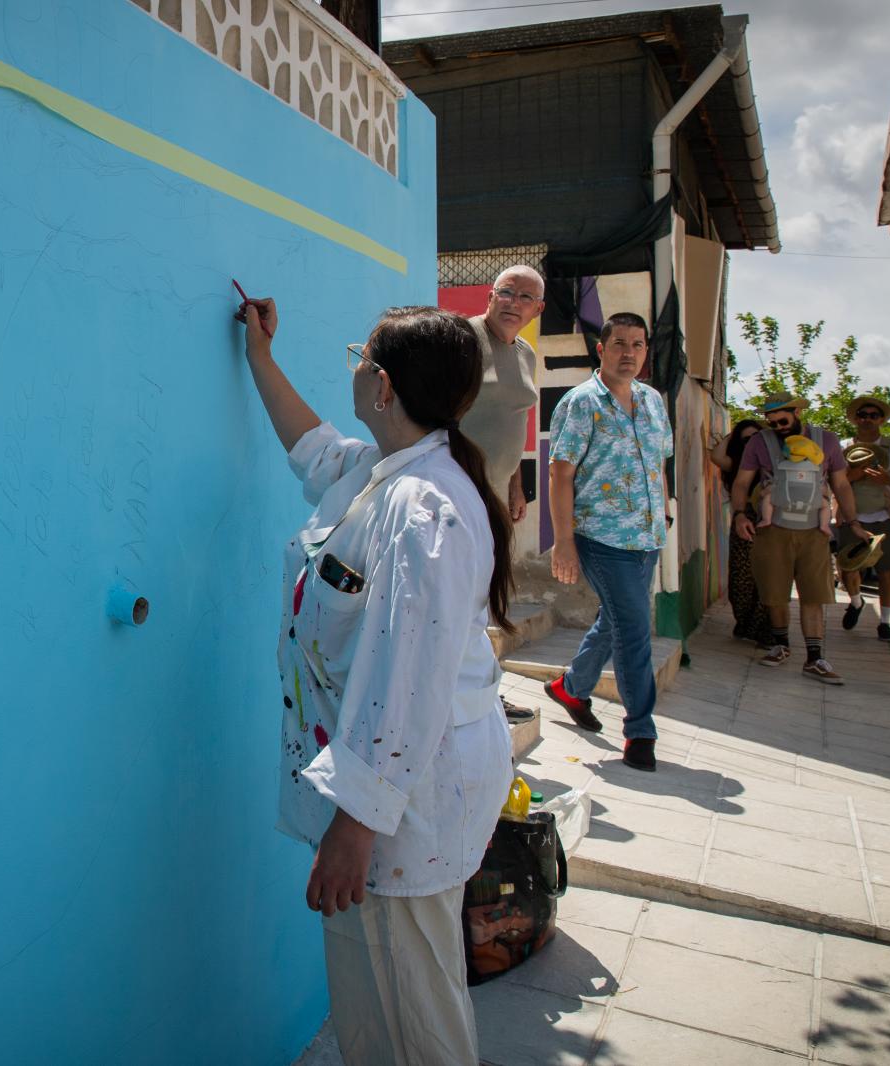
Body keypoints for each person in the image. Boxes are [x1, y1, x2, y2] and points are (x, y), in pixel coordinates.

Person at [235, 294, 513, 1065]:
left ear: (383, 386)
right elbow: (312, 445)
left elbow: (410, 675)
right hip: (390, 798)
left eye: (361, 357)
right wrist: (261, 357)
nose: (354, 367)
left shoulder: (424, 509)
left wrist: (356, 825)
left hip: (401, 810)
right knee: (377, 1004)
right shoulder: (381, 472)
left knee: (413, 1020)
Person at [540, 312, 673, 772]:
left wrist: (666, 509)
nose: (629, 353)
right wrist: (562, 542)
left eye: (638, 344)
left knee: (616, 619)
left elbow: (659, 462)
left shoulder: (654, 402)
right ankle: (640, 732)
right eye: (619, 343)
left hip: (648, 535)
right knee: (634, 630)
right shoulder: (582, 403)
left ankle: (570, 688)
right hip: (601, 537)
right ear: (602, 349)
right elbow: (560, 473)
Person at [730, 393, 869, 684]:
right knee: (775, 593)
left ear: (796, 412)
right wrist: (740, 515)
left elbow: (841, 484)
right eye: (771, 422)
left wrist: (853, 522)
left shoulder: (826, 441)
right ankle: (781, 644)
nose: (778, 426)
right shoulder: (760, 442)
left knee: (813, 595)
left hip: (814, 531)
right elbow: (742, 482)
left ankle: (814, 657)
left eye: (783, 420)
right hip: (773, 529)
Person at [460, 266, 544, 726]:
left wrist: (516, 484)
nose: (514, 302)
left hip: (495, 495)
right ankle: (474, 694)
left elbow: (518, 420)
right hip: (457, 491)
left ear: (538, 309)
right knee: (462, 597)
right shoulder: (464, 340)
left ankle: (486, 691)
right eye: (506, 292)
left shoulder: (527, 354)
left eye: (524, 296)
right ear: (491, 296)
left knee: (485, 599)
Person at [839, 394, 890, 640]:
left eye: (873, 416)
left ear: (881, 419)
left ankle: (884, 622)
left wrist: (889, 481)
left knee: (887, 570)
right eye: (862, 415)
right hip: (851, 515)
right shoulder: (844, 446)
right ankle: (856, 601)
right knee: (849, 566)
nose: (867, 420)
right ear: (855, 419)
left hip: (885, 514)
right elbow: (831, 481)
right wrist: (853, 476)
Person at [707, 419, 769, 643]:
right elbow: (716, 456)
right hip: (745, 519)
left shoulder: (771, 462)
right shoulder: (738, 463)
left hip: (771, 521)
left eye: (757, 437)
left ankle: (764, 628)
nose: (752, 443)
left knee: (768, 576)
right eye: (746, 439)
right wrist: (732, 434)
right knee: (742, 576)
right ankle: (744, 623)